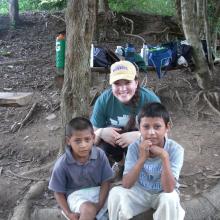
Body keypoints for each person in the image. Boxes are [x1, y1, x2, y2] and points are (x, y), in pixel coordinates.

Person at [108, 102, 185, 220]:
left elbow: (169, 189)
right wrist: (142, 158)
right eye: (146, 127)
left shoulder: (176, 150)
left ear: (167, 127)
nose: (151, 132)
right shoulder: (134, 147)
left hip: (162, 194)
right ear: (139, 128)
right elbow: (126, 184)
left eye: (157, 127)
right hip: (140, 193)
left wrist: (164, 156)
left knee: (170, 199)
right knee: (115, 193)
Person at [90, 60, 160, 176]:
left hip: (142, 146)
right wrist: (100, 132)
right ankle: (120, 165)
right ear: (111, 85)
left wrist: (140, 136)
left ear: (136, 82)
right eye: (117, 84)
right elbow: (91, 138)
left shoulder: (150, 100)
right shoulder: (104, 100)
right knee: (97, 150)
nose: (122, 89)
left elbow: (164, 137)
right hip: (115, 143)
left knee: (143, 146)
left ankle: (142, 171)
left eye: (127, 83)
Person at [49, 117, 114, 220]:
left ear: (93, 137)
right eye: (78, 141)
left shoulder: (100, 155)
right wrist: (69, 213)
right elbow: (58, 192)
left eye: (87, 139)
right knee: (88, 209)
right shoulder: (63, 163)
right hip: (76, 196)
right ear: (68, 141)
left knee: (118, 195)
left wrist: (100, 204)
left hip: (98, 192)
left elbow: (106, 181)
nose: (83, 145)